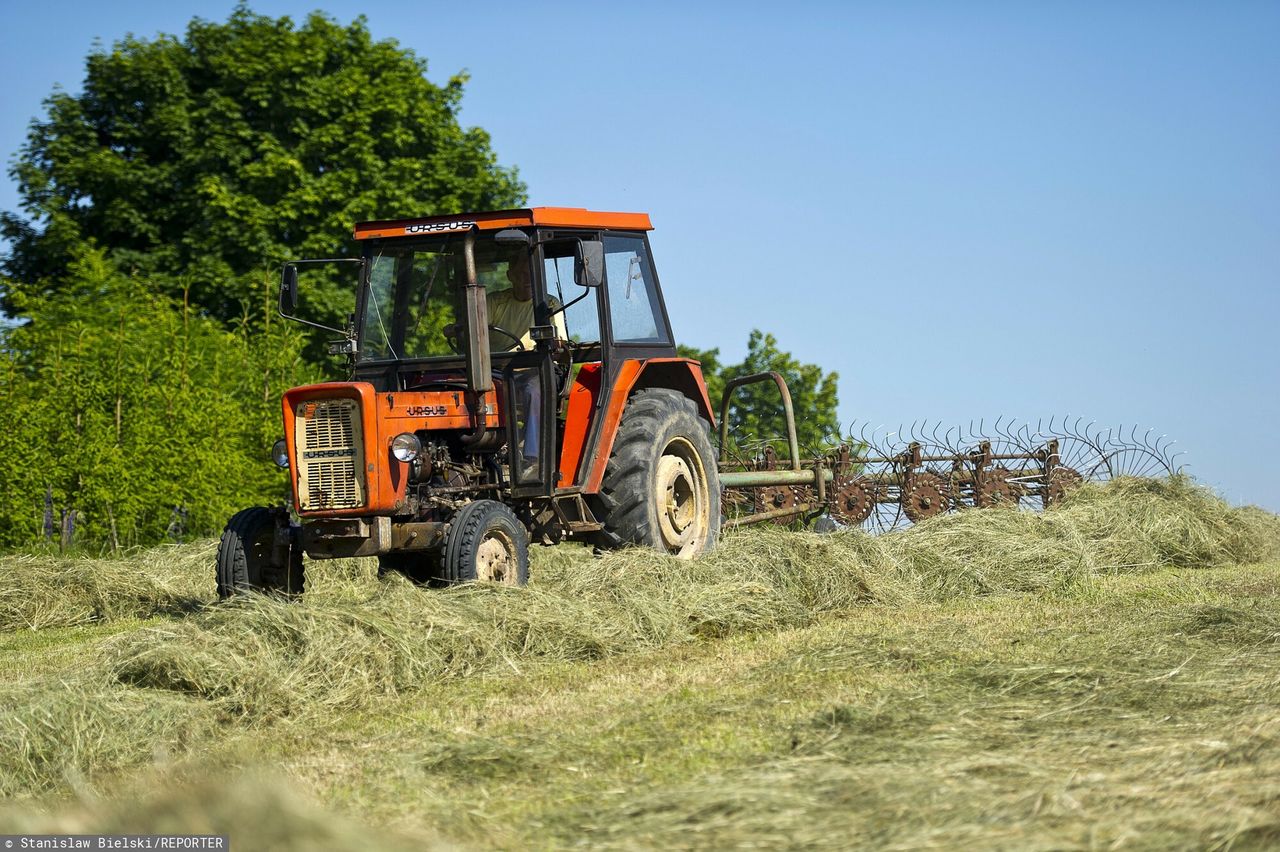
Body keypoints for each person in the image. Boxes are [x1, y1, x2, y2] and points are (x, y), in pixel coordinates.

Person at [483, 252, 566, 479]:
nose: (526, 279)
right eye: (520, 274)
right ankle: (485, 450)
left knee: (534, 389)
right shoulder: (495, 302)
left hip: (536, 367)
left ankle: (533, 459)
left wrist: (552, 342)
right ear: (510, 275)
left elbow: (559, 345)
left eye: (531, 274)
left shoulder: (548, 304)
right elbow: (476, 329)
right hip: (498, 368)